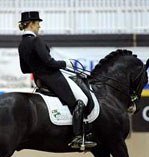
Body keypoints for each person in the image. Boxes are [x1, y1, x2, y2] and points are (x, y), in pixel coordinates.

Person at [17, 11, 96, 149]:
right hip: (52, 78)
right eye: (38, 24)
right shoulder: (36, 41)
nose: (39, 27)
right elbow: (50, 63)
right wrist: (65, 63)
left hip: (39, 80)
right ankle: (78, 137)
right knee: (81, 100)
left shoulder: (22, 44)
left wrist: (38, 68)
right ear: (31, 24)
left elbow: (25, 69)